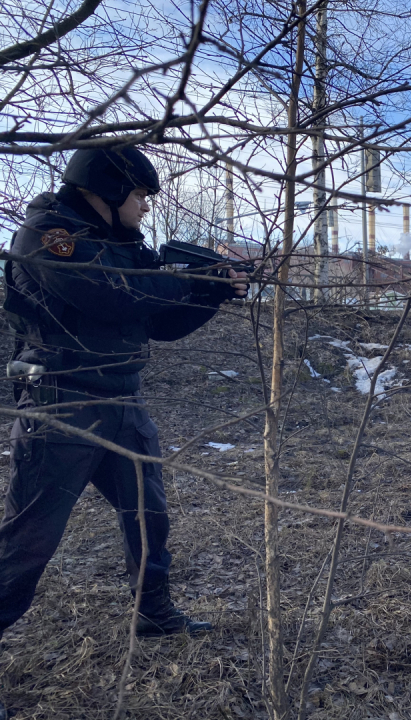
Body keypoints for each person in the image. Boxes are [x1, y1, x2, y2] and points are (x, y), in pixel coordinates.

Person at [0, 146, 248, 668]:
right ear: (106, 191)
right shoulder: (50, 236)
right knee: (28, 541)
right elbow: (116, 297)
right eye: (138, 195)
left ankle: (153, 612)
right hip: (62, 407)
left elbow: (160, 323)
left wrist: (212, 292)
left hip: (122, 398)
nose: (144, 207)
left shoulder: (122, 244)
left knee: (148, 514)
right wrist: (192, 276)